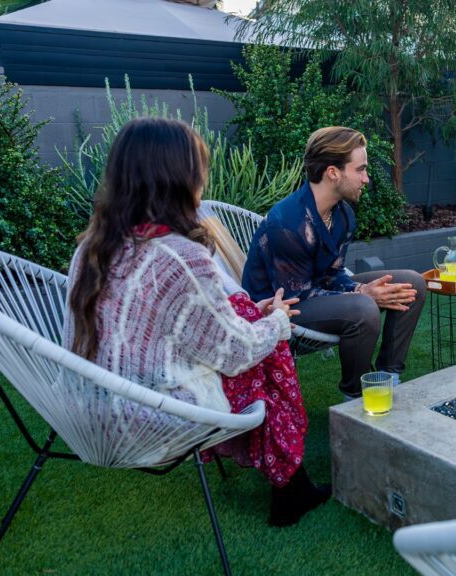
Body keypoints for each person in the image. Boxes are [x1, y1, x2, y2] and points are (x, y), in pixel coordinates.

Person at [64, 117, 330, 527]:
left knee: (245, 316)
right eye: (199, 168)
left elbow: (165, 328)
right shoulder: (179, 258)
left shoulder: (91, 250)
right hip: (152, 415)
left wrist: (248, 315)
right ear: (179, 178)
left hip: (86, 408)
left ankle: (293, 485)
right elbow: (235, 353)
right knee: (267, 352)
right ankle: (290, 486)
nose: (203, 178)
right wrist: (277, 322)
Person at [242, 127, 427, 399]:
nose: (366, 179)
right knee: (362, 307)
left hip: (315, 294)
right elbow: (296, 295)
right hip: (281, 308)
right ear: (333, 173)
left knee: (413, 283)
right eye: (360, 170)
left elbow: (334, 273)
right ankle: (356, 392)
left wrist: (356, 288)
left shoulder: (342, 214)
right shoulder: (288, 223)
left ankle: (387, 377)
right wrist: (360, 293)